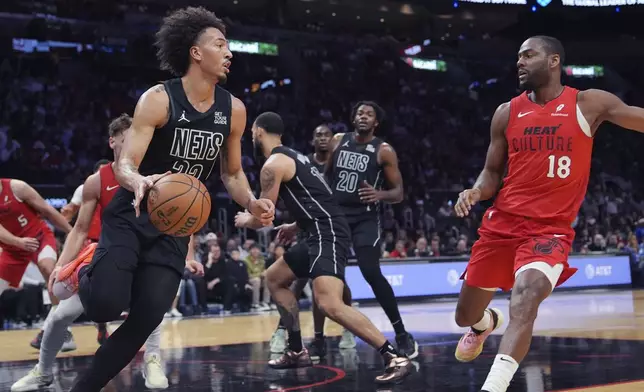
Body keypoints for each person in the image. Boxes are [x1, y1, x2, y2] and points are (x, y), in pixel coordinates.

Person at [58, 8, 274, 392]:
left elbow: (232, 174)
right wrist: (137, 180)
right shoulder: (159, 99)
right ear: (195, 52)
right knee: (103, 306)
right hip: (134, 212)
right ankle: (85, 269)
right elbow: (125, 163)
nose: (229, 53)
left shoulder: (234, 110)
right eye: (220, 44)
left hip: (176, 226)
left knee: (146, 318)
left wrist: (252, 202)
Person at [453, 35, 644, 392]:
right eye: (518, 56)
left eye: (528, 55)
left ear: (554, 60)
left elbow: (637, 118)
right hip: (502, 224)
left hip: (549, 231)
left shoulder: (588, 103)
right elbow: (492, 173)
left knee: (525, 298)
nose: (520, 62)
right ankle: (483, 324)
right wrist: (476, 190)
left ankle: (493, 386)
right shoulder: (506, 112)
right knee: (464, 314)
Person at [235, 112, 412, 384]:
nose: (251, 136)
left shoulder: (272, 165)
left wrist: (246, 218)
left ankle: (393, 356)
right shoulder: (296, 156)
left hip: (325, 232)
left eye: (251, 132)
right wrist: (297, 224)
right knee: (274, 278)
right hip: (318, 229)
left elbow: (264, 218)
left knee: (330, 303)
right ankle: (296, 349)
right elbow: (320, 195)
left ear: (258, 132)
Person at [324, 101, 418, 358]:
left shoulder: (383, 150)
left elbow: (398, 193)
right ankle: (326, 336)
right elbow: (325, 175)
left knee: (370, 271)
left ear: (376, 122)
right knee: (328, 275)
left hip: (365, 219)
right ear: (353, 118)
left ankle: (400, 333)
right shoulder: (338, 141)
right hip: (337, 216)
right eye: (359, 113)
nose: (363, 116)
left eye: (369, 114)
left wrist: (379, 194)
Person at [269, 124, 356, 356]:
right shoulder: (303, 162)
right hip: (309, 226)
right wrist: (295, 226)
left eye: (327, 135)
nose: (323, 139)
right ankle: (292, 333)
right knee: (298, 281)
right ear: (312, 140)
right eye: (318, 135)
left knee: (334, 285)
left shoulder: (340, 166)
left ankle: (347, 329)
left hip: (333, 226)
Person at [0, 176, 72, 349]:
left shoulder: (17, 187)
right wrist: (18, 242)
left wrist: (72, 233)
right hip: (12, 249)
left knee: (48, 269)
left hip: (39, 239)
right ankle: (54, 329)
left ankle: (64, 331)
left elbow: (48, 210)